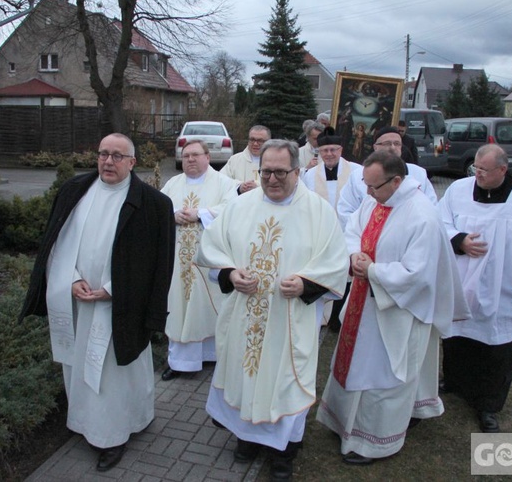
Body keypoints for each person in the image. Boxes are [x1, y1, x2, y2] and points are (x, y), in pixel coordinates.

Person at [19, 133, 175, 472]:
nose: (108, 161)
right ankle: (87, 423)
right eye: (103, 153)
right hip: (77, 303)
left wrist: (113, 287)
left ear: (133, 163)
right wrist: (70, 279)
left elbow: (157, 264)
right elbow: (55, 243)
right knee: (80, 367)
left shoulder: (153, 204)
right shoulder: (74, 192)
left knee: (116, 375)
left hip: (122, 307)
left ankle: (112, 436)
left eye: (118, 156)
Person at [196, 140, 349, 481]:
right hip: (244, 316)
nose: (273, 179)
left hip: (289, 319)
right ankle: (247, 438)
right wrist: (230, 273)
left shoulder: (319, 211)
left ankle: (283, 452)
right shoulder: (240, 205)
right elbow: (211, 250)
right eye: (266, 171)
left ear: (298, 171)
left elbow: (336, 264)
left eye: (281, 172)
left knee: (283, 383)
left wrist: (307, 284)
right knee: (244, 375)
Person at [316, 151, 469, 465]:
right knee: (354, 362)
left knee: (384, 374)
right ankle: (344, 423)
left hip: (397, 311)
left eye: (375, 187)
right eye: (366, 186)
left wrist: (372, 271)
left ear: (397, 181)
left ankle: (375, 442)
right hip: (364, 302)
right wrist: (354, 255)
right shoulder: (375, 200)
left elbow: (419, 273)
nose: (369, 194)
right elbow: (353, 231)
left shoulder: (421, 215)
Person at [438, 144, 512, 433]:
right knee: (457, 335)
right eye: (475, 169)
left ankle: (488, 405)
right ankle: (455, 382)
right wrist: (459, 239)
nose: (478, 176)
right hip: (462, 278)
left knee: (496, 345)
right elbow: (439, 221)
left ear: (503, 169)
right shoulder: (458, 190)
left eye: (485, 171)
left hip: (501, 283)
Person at [160, 140, 238, 380]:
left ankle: (211, 357)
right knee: (179, 307)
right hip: (177, 260)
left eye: (195, 155)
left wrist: (200, 214)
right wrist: (172, 216)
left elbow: (232, 210)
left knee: (208, 306)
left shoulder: (225, 183)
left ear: (207, 156)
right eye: (185, 156)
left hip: (209, 261)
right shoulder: (172, 183)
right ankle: (180, 361)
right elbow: (157, 209)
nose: (190, 160)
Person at [301, 133, 363, 332]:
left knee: (346, 276)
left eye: (333, 150)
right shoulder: (310, 175)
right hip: (322, 235)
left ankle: (340, 318)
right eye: (324, 150)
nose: (329, 154)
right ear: (319, 152)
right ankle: (324, 315)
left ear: (341, 151)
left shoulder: (356, 172)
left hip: (349, 233)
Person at [336, 126, 437, 230]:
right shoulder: (357, 176)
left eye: (397, 144)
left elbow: (432, 207)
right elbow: (345, 210)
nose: (393, 148)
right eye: (387, 143)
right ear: (375, 147)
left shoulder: (418, 173)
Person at [221, 125, 271, 194]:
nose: (255, 144)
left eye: (260, 140)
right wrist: (239, 187)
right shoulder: (234, 160)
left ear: (268, 142)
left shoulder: (276, 161)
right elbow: (221, 181)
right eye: (252, 139)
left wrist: (258, 187)